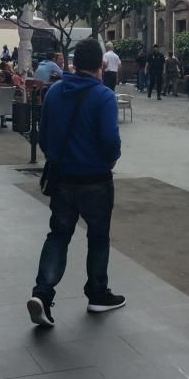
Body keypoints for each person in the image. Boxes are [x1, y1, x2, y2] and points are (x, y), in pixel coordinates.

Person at [27, 37, 124, 327]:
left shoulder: (55, 92)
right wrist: (111, 159)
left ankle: (42, 294)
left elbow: (42, 136)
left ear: (73, 62)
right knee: (98, 237)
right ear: (101, 63)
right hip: (95, 179)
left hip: (63, 179)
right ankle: (97, 293)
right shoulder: (104, 95)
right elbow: (110, 141)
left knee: (58, 235)